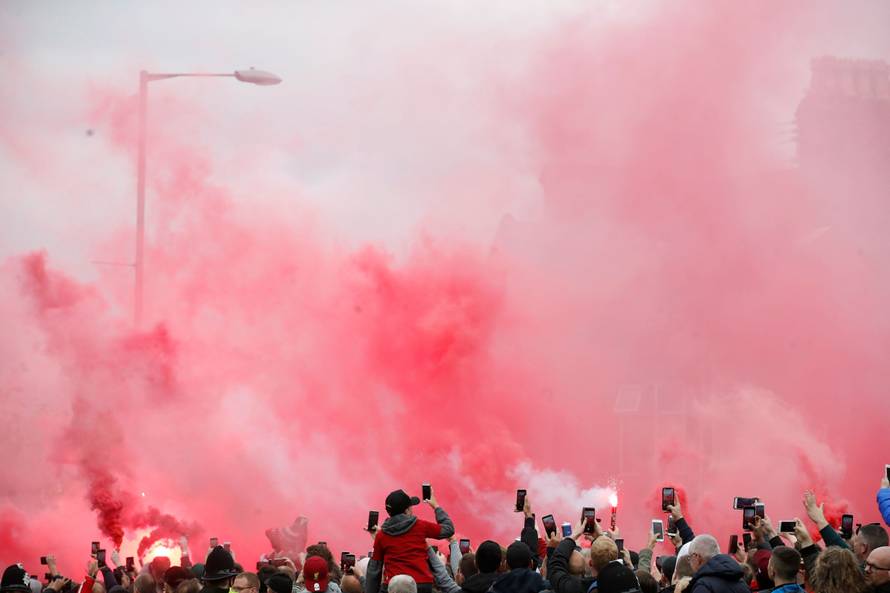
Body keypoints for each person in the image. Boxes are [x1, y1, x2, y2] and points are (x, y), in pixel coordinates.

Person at [364, 487, 454, 593]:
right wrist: (435, 506)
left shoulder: (381, 536)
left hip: (394, 586)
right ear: (406, 510)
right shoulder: (420, 526)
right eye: (411, 506)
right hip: (422, 585)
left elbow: (374, 570)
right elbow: (448, 529)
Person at [428, 540, 503, 593]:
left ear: (475, 563)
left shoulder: (461, 589)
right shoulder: (507, 586)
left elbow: (445, 580)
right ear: (500, 565)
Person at [686, 535, 750, 593]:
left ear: (697, 557)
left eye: (689, 558)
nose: (689, 562)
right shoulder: (740, 581)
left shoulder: (703, 587)